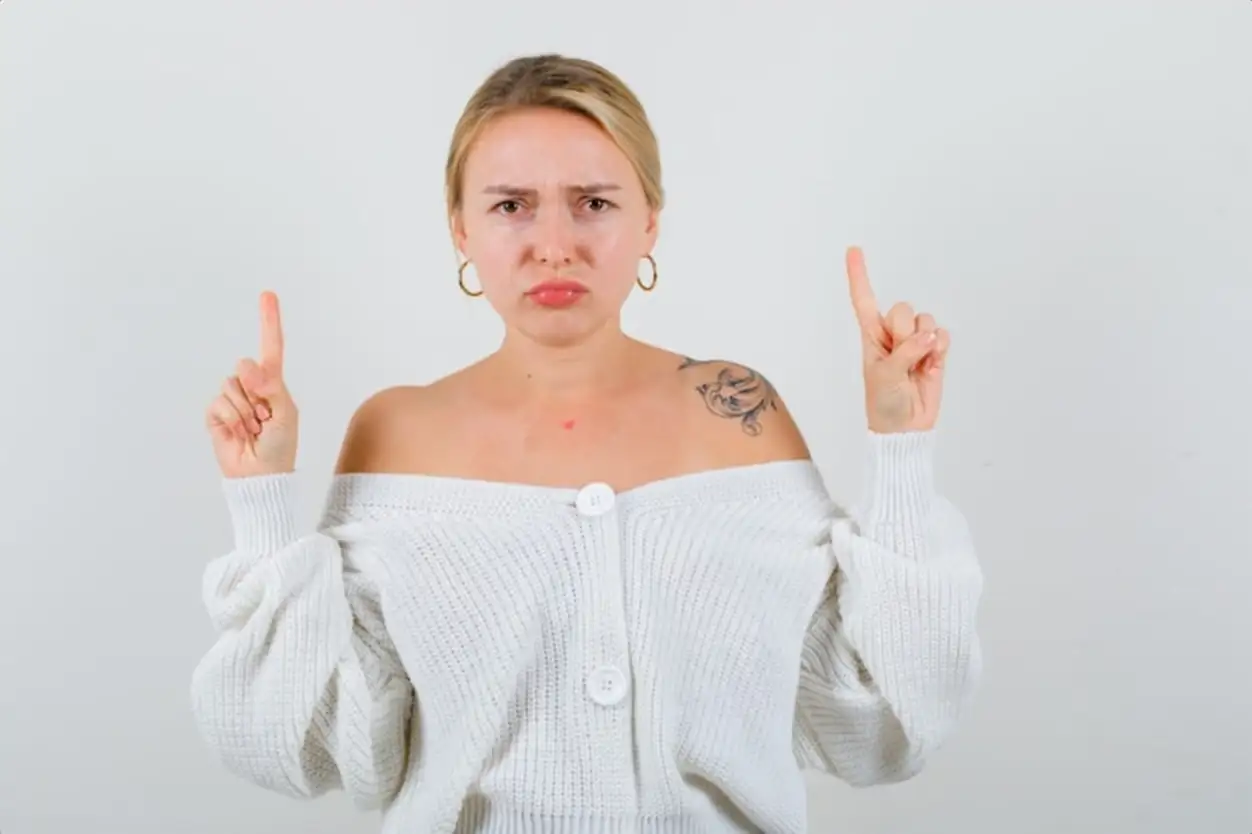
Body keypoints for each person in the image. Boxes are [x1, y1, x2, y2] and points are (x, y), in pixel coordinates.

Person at [191, 53, 983, 834]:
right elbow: (314, 747)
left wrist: (900, 446)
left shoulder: (738, 412)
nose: (555, 244)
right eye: (512, 206)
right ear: (461, 228)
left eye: (594, 202)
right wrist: (262, 505)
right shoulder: (396, 432)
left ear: (650, 222)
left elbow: (879, 721)